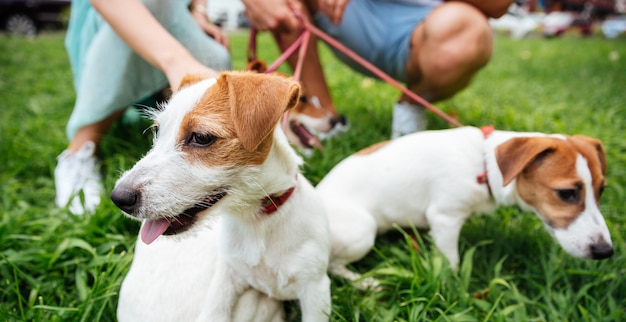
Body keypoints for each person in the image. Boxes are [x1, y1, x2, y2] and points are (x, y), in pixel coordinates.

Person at [55, 0, 231, 215]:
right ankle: (78, 152)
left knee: (217, 55)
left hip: (178, 16)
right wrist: (177, 63)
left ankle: (172, 126)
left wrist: (198, 12)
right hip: (112, 24)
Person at [242, 0, 513, 139]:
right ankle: (324, 118)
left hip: (429, 29)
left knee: (470, 30)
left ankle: (410, 109)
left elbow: (499, 5)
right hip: (346, 17)